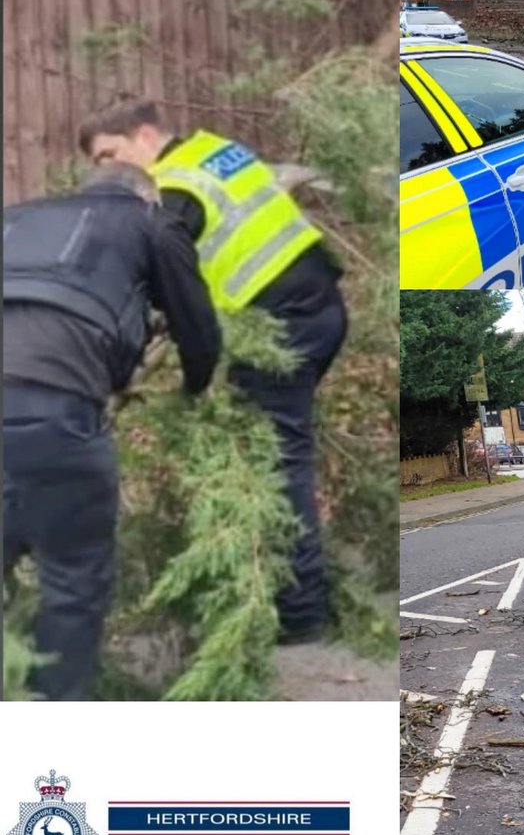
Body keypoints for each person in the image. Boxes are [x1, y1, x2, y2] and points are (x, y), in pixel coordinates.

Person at [79, 99, 348, 644]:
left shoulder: (171, 191)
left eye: (109, 153)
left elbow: (173, 297)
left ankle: (301, 616)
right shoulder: (213, 151)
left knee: (277, 463)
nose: (106, 169)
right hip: (319, 309)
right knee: (269, 453)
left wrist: (190, 380)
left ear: (144, 134)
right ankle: (292, 589)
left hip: (278, 332)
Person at [3, 163, 222, 700]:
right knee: (72, 581)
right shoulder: (151, 222)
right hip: (53, 410)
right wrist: (194, 392)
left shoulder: (16, 217)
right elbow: (198, 330)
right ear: (145, 195)